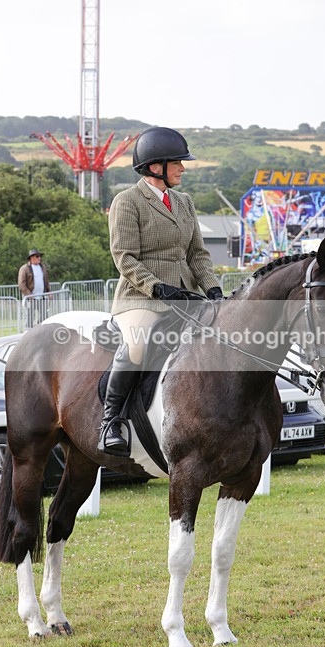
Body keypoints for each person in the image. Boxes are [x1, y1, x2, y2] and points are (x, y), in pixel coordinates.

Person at [98, 126, 223, 454]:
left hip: (185, 297)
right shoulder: (127, 202)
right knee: (137, 347)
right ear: (156, 168)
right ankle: (111, 422)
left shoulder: (184, 202)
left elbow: (197, 254)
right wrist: (157, 288)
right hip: (141, 299)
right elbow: (124, 257)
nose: (183, 168)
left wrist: (213, 290)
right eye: (178, 163)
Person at [18, 249, 50, 328]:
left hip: (41, 297)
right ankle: (28, 331)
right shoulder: (24, 268)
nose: (39, 258)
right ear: (31, 258)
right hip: (30, 298)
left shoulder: (42, 267)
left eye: (40, 256)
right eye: (37, 256)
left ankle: (41, 329)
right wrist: (29, 295)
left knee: (44, 315)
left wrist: (49, 291)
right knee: (30, 316)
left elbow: (46, 280)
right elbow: (21, 284)